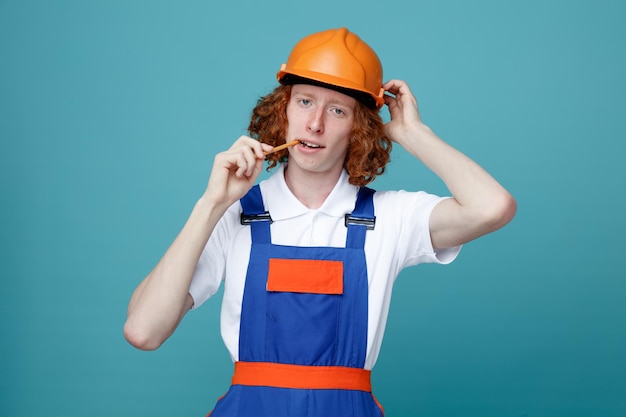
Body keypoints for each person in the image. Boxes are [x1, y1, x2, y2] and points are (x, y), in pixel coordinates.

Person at [124, 27, 516, 416]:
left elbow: (492, 207)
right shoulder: (235, 214)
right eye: (305, 102)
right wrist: (210, 204)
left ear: (359, 128)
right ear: (284, 110)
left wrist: (412, 133)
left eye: (337, 110)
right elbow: (143, 331)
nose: (315, 124)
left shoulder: (390, 217)